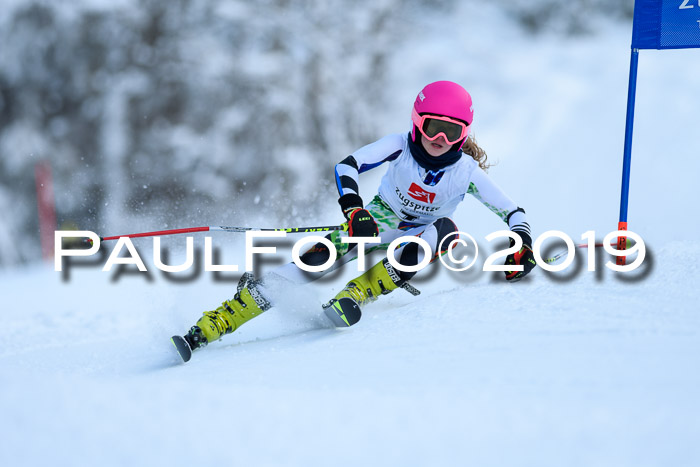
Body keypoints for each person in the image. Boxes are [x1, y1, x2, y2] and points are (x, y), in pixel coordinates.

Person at [174, 80, 536, 357]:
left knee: (445, 233)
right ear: (416, 122)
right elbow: (347, 165)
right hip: (378, 218)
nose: (439, 138)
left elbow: (512, 210)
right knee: (317, 260)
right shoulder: (399, 145)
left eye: (452, 131)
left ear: (464, 133)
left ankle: (358, 293)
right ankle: (217, 322)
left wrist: (523, 242)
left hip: (423, 233)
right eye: (431, 127)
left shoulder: (466, 171)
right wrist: (354, 209)